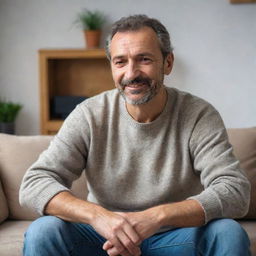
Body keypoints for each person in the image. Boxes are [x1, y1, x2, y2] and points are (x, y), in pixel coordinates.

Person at [19, 14, 251, 256]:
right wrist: (99, 217)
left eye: (144, 59)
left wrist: (156, 217)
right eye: (120, 62)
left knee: (228, 232)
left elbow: (234, 190)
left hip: (173, 238)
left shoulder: (198, 115)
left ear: (168, 63)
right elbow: (34, 184)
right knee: (43, 231)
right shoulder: (89, 115)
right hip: (102, 238)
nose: (131, 73)